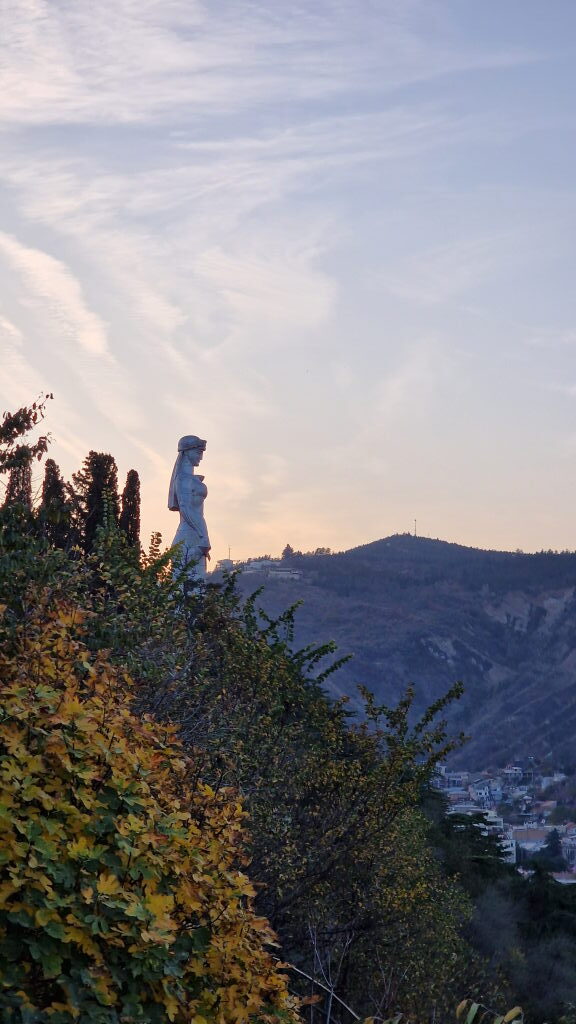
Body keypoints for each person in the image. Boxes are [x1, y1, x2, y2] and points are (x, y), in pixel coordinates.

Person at [168, 434, 210, 579]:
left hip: (194, 535)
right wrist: (204, 537)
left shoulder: (189, 479)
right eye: (199, 452)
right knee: (189, 590)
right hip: (190, 535)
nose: (201, 457)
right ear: (187, 451)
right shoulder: (183, 480)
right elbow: (187, 510)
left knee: (196, 590)